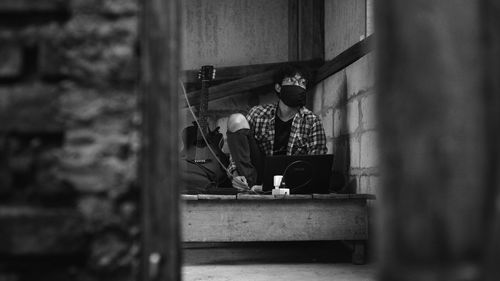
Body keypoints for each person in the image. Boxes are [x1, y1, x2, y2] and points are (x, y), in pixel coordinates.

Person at [226, 64, 327, 191]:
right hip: (256, 176)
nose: (297, 85)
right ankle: (248, 186)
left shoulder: (312, 121)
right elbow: (238, 151)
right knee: (236, 119)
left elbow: (318, 163)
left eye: (302, 82)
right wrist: (235, 174)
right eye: (291, 80)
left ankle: (266, 189)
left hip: (291, 181)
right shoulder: (257, 114)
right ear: (278, 87)